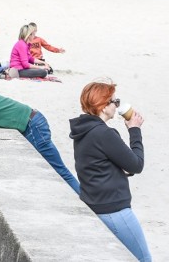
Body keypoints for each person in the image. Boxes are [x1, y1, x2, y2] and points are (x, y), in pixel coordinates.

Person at [69, 81, 151, 261]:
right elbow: (136, 165)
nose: (117, 105)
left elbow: (100, 163)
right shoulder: (104, 133)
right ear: (104, 106)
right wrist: (135, 130)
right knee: (144, 259)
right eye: (115, 101)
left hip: (95, 206)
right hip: (114, 210)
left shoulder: (82, 131)